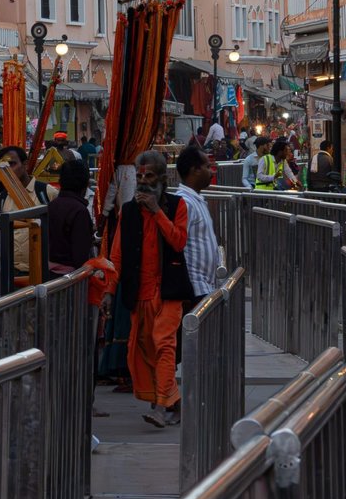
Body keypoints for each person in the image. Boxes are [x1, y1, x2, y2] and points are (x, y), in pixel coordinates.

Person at [111, 150, 192, 428]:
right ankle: (174, 401)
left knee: (164, 345)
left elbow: (179, 242)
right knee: (142, 350)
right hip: (140, 292)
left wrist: (157, 212)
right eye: (139, 176)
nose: (143, 182)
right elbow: (117, 254)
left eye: (149, 176)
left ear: (162, 179)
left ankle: (159, 407)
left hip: (168, 291)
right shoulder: (128, 211)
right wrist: (110, 290)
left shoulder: (177, 206)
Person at [176, 147, 224, 299]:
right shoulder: (185, 202)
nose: (212, 172)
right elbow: (177, 244)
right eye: (207, 167)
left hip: (205, 286)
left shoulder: (195, 200)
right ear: (195, 170)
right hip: (194, 287)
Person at [44, 158, 95, 276]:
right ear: (85, 183)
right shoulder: (79, 211)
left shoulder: (52, 205)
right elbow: (80, 256)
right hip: (70, 278)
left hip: (48, 275)